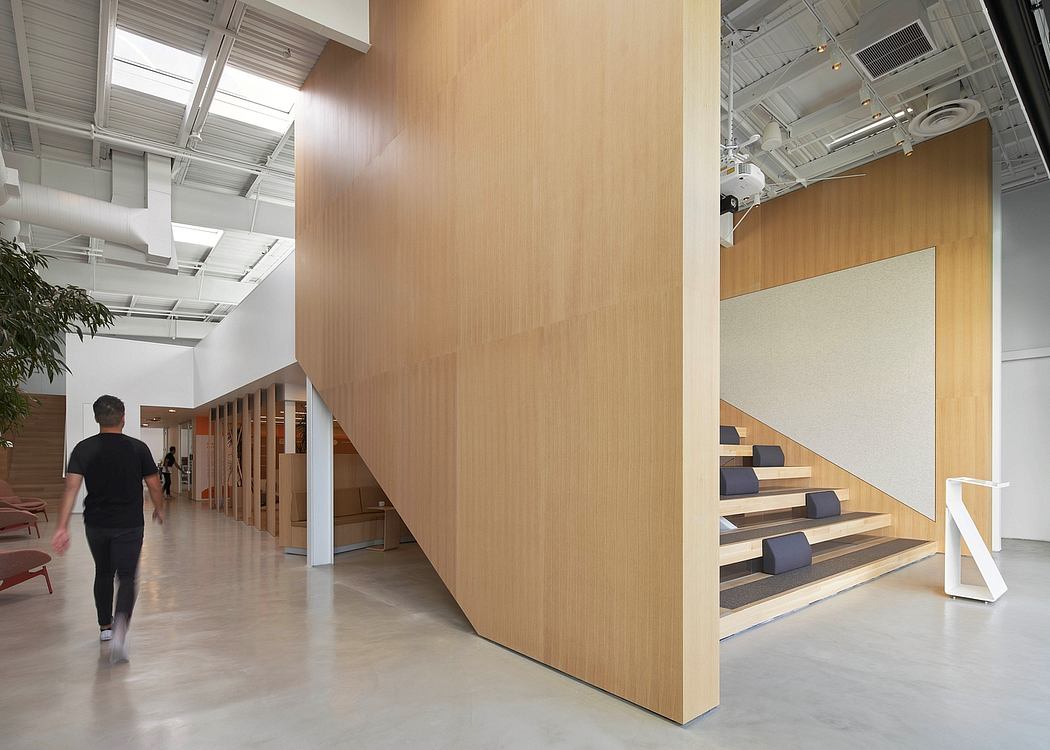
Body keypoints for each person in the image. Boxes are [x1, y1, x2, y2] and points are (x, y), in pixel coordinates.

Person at [52, 395, 165, 663]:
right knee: (126, 577)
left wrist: (61, 527)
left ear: (96, 418)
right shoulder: (138, 448)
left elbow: (71, 489)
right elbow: (154, 484)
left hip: (96, 524)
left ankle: (105, 627)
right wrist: (159, 508)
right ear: (123, 417)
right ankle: (120, 631)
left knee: (103, 573)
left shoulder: (83, 449)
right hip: (129, 524)